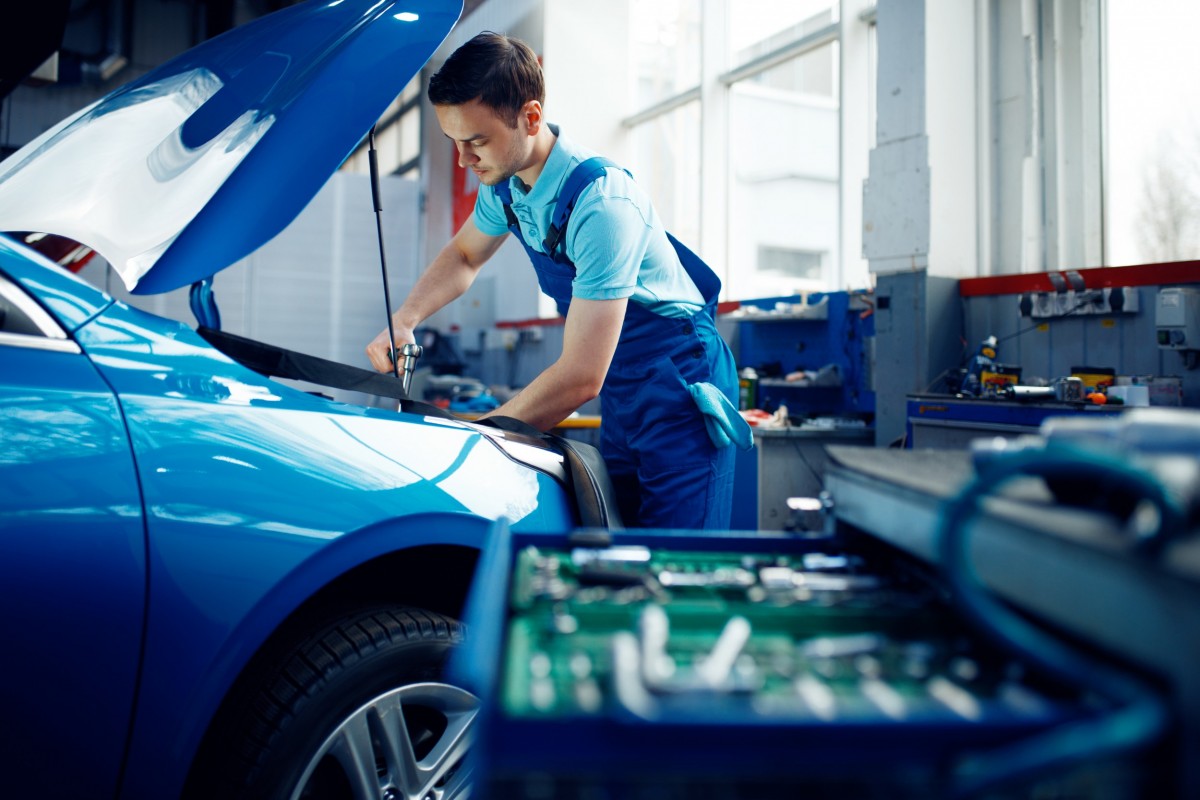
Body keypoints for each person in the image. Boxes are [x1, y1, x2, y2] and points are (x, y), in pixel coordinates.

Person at [366, 32, 747, 529]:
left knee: (680, 563)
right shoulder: (505, 187)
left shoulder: (603, 206)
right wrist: (405, 318)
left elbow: (580, 375)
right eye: (454, 142)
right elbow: (464, 254)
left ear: (530, 117)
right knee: (621, 545)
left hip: (678, 385)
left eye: (476, 141)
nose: (463, 161)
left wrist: (484, 430)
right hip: (625, 388)